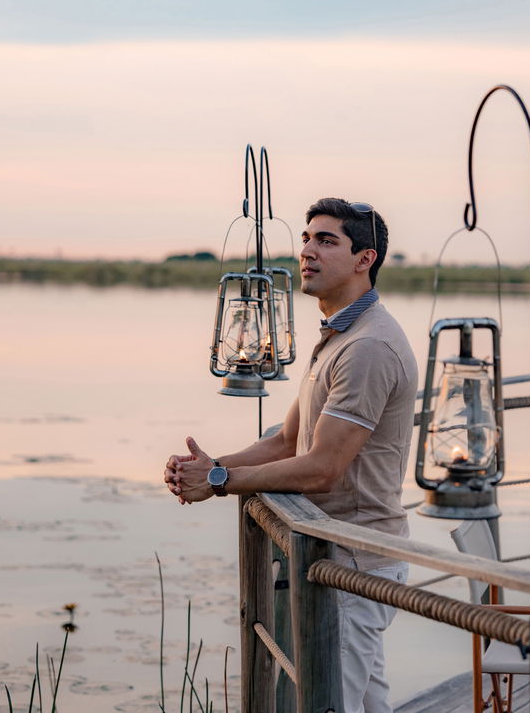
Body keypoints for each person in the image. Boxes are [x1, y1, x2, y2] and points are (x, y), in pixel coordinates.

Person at [163, 197, 418, 713]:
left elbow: (323, 468)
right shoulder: (339, 336)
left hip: (352, 562)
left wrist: (216, 481)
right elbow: (287, 442)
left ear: (365, 259)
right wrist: (213, 465)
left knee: (331, 704)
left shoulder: (369, 347)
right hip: (333, 554)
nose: (307, 251)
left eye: (327, 241)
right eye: (306, 239)